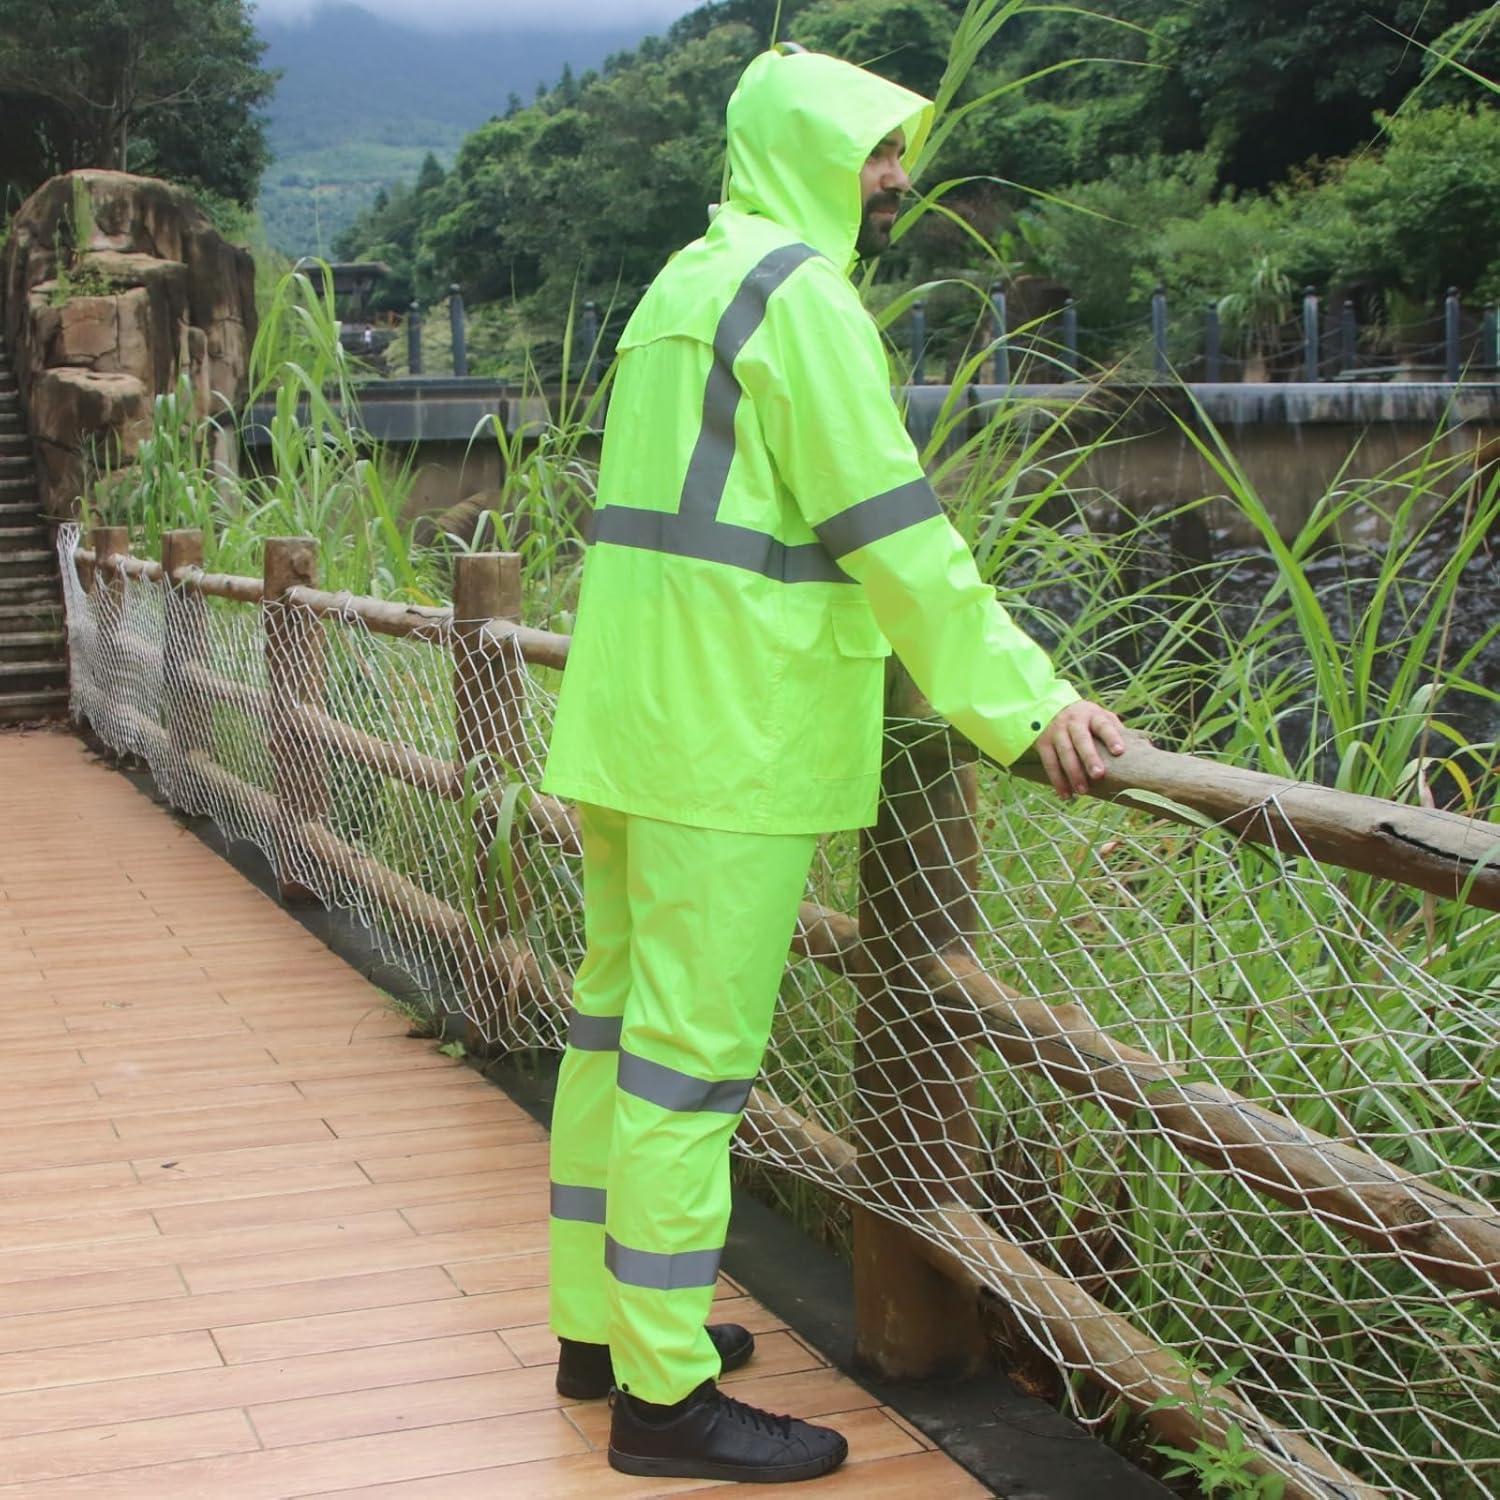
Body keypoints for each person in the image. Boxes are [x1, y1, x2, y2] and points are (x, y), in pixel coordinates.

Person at [540, 44, 1126, 1485]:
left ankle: (602, 1329)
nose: (897, 177)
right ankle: (663, 1405)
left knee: (614, 1034)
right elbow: (897, 533)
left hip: (634, 718)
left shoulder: (687, 278)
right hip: (724, 739)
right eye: (873, 147)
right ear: (807, 145)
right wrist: (1023, 700)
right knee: (688, 1071)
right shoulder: (797, 297)